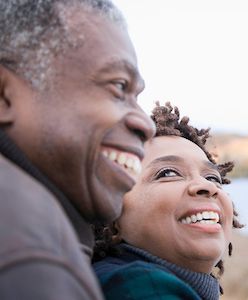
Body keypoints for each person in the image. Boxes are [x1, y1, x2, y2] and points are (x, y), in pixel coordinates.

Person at [0, 1, 155, 299]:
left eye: (137, 96)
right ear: (4, 95)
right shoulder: (34, 256)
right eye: (119, 86)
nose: (146, 124)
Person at [93, 102, 244, 300]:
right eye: (168, 173)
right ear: (109, 209)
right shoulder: (137, 285)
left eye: (212, 178)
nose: (206, 186)